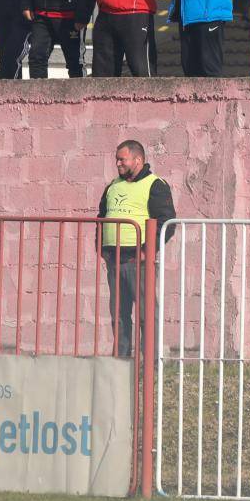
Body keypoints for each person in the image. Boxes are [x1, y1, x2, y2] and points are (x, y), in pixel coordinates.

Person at [98, 140, 175, 358]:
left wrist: (146, 251)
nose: (118, 163)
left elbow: (167, 222)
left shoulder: (155, 184)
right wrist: (101, 248)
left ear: (138, 160)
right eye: (117, 159)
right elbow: (101, 216)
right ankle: (121, 363)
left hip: (139, 260)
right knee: (119, 315)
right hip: (115, 260)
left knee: (146, 314)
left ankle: (150, 363)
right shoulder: (113, 186)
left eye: (122, 159)